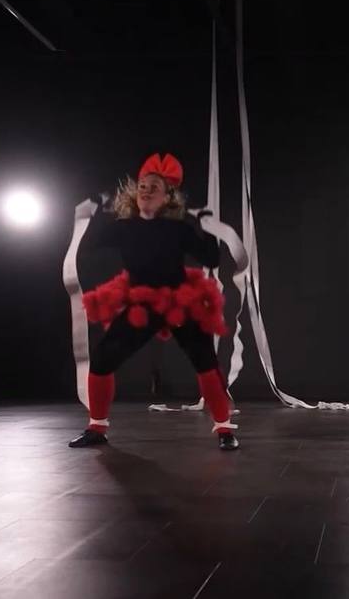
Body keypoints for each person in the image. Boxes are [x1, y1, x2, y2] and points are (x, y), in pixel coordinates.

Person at [68, 153, 239, 450]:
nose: (146, 191)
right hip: (141, 306)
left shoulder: (178, 228)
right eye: (143, 187)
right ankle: (97, 428)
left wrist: (207, 227)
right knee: (103, 358)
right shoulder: (123, 227)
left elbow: (211, 259)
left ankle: (225, 430)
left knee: (205, 362)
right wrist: (93, 211)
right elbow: (90, 244)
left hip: (178, 303)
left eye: (154, 187)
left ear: (167, 196)